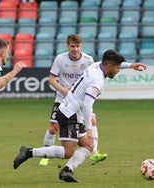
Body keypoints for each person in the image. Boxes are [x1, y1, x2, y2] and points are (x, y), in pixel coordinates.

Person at [13, 49, 146, 182]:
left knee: (89, 146)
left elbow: (113, 64)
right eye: (117, 68)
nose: (118, 70)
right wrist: (89, 130)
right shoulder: (97, 81)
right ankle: (29, 152)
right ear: (109, 66)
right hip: (70, 114)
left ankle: (67, 171)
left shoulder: (96, 66)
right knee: (68, 152)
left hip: (71, 111)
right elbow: (87, 105)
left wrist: (130, 66)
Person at [41, 34, 107, 166]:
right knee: (54, 128)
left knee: (92, 119)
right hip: (63, 99)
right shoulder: (60, 59)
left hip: (80, 101)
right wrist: (62, 89)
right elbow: (51, 79)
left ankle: (94, 153)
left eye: (77, 46)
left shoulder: (88, 60)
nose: (75, 49)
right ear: (67, 46)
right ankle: (45, 155)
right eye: (72, 46)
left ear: (81, 46)